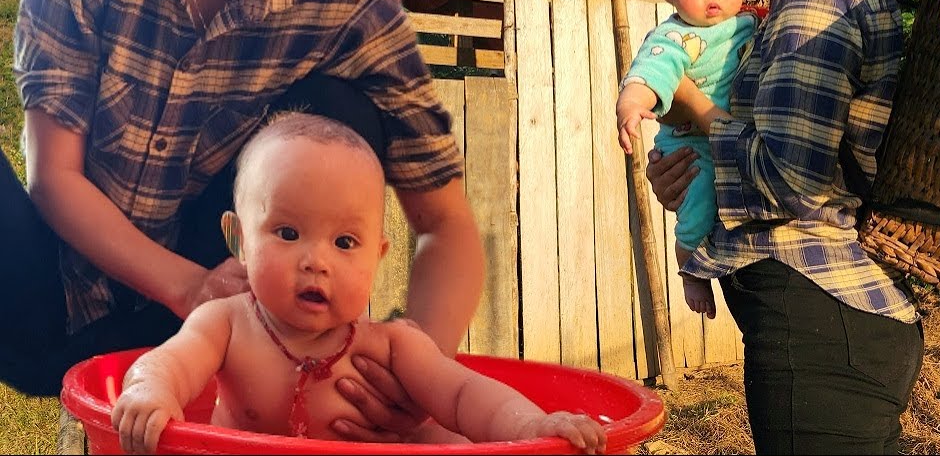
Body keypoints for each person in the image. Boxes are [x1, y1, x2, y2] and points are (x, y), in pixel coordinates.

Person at [3, 0, 483, 440]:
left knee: (337, 115)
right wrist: (188, 288)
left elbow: (447, 226)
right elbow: (53, 176)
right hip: (61, 304)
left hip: (242, 323)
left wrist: (409, 379)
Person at [642, 0, 925, 454]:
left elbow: (787, 178)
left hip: (822, 321)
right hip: (827, 323)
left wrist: (695, 108)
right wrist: (683, 174)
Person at [110, 112, 606, 454]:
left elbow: (464, 395)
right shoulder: (224, 325)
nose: (316, 261)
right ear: (238, 240)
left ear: (378, 255)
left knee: (443, 438)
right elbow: (168, 363)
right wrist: (150, 393)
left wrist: (531, 427)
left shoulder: (388, 346)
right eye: (287, 233)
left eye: (345, 243)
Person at [615, 0, 756, 319]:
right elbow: (650, 72)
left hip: (734, 142)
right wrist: (632, 103)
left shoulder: (751, 22)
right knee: (698, 205)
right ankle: (689, 263)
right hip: (693, 147)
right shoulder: (673, 37)